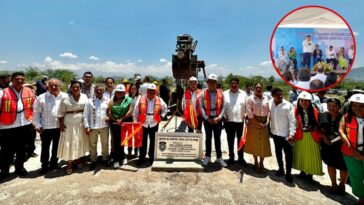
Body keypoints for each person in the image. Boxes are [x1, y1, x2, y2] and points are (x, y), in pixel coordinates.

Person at [0, 72, 35, 180]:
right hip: (7, 126)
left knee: (21, 149)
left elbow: (34, 107)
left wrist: (33, 121)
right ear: (11, 80)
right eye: (17, 79)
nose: (20, 81)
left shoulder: (29, 91)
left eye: (22, 79)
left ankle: (19, 168)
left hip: (25, 124)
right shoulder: (3, 92)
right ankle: (4, 171)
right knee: (6, 150)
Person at [34, 78, 67, 174]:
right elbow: (36, 113)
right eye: (51, 85)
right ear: (47, 86)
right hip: (45, 128)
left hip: (59, 127)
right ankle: (44, 165)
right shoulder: (41, 97)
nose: (53, 87)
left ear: (59, 86)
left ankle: (54, 164)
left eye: (56, 85)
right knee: (45, 147)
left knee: (56, 147)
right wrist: (37, 124)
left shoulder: (65, 96)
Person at [57, 80, 89, 174]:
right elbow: (60, 113)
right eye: (73, 87)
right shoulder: (66, 98)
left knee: (78, 140)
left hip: (80, 122)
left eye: (77, 87)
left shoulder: (84, 96)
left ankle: (78, 159)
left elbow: (87, 109)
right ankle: (69, 163)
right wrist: (61, 124)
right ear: (70, 88)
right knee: (69, 142)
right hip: (69, 123)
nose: (75, 89)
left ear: (80, 88)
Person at [133, 84, 168, 166]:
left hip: (154, 124)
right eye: (149, 90)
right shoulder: (140, 99)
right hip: (143, 124)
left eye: (153, 91)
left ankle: (151, 157)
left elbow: (165, 109)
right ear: (147, 91)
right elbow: (135, 112)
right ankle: (141, 157)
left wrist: (162, 117)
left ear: (156, 91)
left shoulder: (159, 99)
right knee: (142, 142)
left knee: (153, 142)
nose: (151, 92)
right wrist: (136, 123)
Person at [339, 94, 364, 204]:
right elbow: (341, 131)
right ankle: (361, 198)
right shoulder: (346, 116)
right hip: (350, 152)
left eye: (361, 105)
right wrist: (353, 150)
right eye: (354, 105)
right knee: (356, 176)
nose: (357, 108)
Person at [292, 91, 323, 182]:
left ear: (310, 102)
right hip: (300, 136)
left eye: (306, 101)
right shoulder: (295, 111)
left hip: (312, 136)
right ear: (299, 101)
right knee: (301, 154)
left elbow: (319, 124)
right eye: (302, 101)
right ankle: (302, 171)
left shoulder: (315, 111)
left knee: (312, 155)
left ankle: (310, 174)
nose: (304, 103)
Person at [319, 98, 348, 194]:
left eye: (334, 106)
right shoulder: (322, 115)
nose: (331, 108)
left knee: (344, 166)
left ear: (339, 107)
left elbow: (347, 132)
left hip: (341, 146)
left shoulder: (345, 118)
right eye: (329, 106)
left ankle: (342, 185)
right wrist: (324, 138)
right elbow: (319, 129)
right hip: (327, 145)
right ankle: (334, 184)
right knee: (330, 164)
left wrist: (338, 139)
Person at [199, 74, 227, 167]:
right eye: (210, 82)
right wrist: (207, 118)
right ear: (207, 83)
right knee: (208, 138)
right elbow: (201, 107)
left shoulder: (221, 93)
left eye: (213, 82)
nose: (211, 84)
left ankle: (219, 157)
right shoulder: (203, 93)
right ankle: (208, 156)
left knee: (217, 138)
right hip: (207, 120)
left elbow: (224, 106)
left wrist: (219, 117)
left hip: (217, 119)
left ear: (216, 83)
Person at [269, 88, 296, 182]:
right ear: (272, 96)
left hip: (286, 134)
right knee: (278, 151)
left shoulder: (288, 105)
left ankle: (288, 173)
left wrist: (292, 133)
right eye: (277, 95)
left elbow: (292, 120)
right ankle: (281, 169)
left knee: (288, 154)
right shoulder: (270, 104)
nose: (280, 96)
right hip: (275, 133)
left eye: (281, 94)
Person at [244, 82, 271, 172]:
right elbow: (249, 111)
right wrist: (256, 122)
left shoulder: (266, 98)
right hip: (253, 122)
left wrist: (267, 121)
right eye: (257, 87)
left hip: (264, 123)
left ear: (262, 89)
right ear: (254, 88)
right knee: (254, 143)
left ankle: (262, 162)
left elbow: (269, 111)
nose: (258, 89)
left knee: (263, 144)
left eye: (260, 87)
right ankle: (255, 161)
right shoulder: (250, 99)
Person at [83, 84, 111, 170]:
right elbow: (85, 114)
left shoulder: (108, 100)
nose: (99, 91)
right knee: (92, 144)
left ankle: (105, 158)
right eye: (97, 90)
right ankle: (93, 160)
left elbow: (110, 112)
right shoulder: (89, 101)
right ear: (95, 91)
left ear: (103, 91)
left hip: (104, 126)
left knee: (105, 143)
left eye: (101, 90)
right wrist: (87, 126)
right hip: (93, 126)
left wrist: (108, 117)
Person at [223, 77, 247, 165]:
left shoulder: (244, 94)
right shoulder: (224, 94)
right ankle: (231, 157)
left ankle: (241, 158)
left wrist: (246, 114)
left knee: (241, 141)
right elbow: (222, 107)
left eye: (235, 83)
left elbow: (247, 107)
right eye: (232, 83)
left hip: (240, 121)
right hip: (228, 121)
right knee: (230, 140)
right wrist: (223, 115)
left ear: (238, 84)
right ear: (230, 84)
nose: (234, 85)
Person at [108, 84, 132, 168]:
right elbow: (109, 113)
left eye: (122, 93)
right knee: (115, 142)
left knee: (123, 140)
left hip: (124, 122)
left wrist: (122, 119)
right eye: (118, 92)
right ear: (116, 92)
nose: (120, 94)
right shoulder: (111, 101)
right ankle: (116, 159)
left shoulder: (128, 99)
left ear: (124, 93)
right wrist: (116, 120)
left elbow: (129, 111)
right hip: (114, 123)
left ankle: (122, 157)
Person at [127, 84, 140, 157]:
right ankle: (129, 151)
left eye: (135, 89)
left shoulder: (139, 98)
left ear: (137, 90)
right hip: (128, 119)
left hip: (136, 119)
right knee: (129, 136)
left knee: (136, 136)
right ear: (130, 89)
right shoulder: (127, 97)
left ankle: (136, 152)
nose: (133, 90)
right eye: (132, 89)